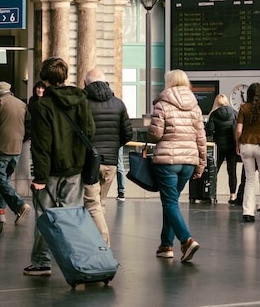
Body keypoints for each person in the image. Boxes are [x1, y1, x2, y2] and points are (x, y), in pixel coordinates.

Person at [23, 57, 95, 276]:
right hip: (75, 168)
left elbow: (42, 145)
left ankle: (41, 262)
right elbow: (90, 132)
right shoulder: (81, 100)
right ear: (64, 77)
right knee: (72, 217)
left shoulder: (42, 106)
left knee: (45, 216)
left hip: (51, 172)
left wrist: (40, 178)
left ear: (44, 78)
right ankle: (79, 261)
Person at [146, 69, 206, 262]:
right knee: (171, 202)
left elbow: (155, 135)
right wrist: (201, 164)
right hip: (188, 162)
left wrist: (150, 131)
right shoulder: (195, 107)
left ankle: (186, 240)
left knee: (170, 202)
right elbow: (201, 139)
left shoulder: (162, 104)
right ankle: (166, 245)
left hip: (167, 161)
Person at [82, 68, 132, 245]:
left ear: (85, 83)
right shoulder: (118, 104)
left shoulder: (83, 103)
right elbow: (128, 134)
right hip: (110, 162)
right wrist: (113, 146)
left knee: (92, 203)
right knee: (100, 203)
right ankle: (94, 242)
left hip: (90, 162)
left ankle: (103, 244)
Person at [0, 86, 31, 225]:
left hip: (1, 148)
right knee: (4, 180)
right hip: (16, 149)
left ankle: (20, 205)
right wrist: (21, 140)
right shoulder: (22, 104)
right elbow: (29, 127)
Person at [236, 81, 260, 222]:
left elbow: (239, 130)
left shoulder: (243, 108)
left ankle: (248, 212)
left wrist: (237, 144)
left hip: (246, 145)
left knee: (249, 179)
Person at [206, 94, 239, 204]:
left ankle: (212, 193)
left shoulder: (214, 114)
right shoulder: (234, 113)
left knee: (214, 170)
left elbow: (209, 131)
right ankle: (233, 195)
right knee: (232, 171)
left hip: (219, 147)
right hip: (232, 146)